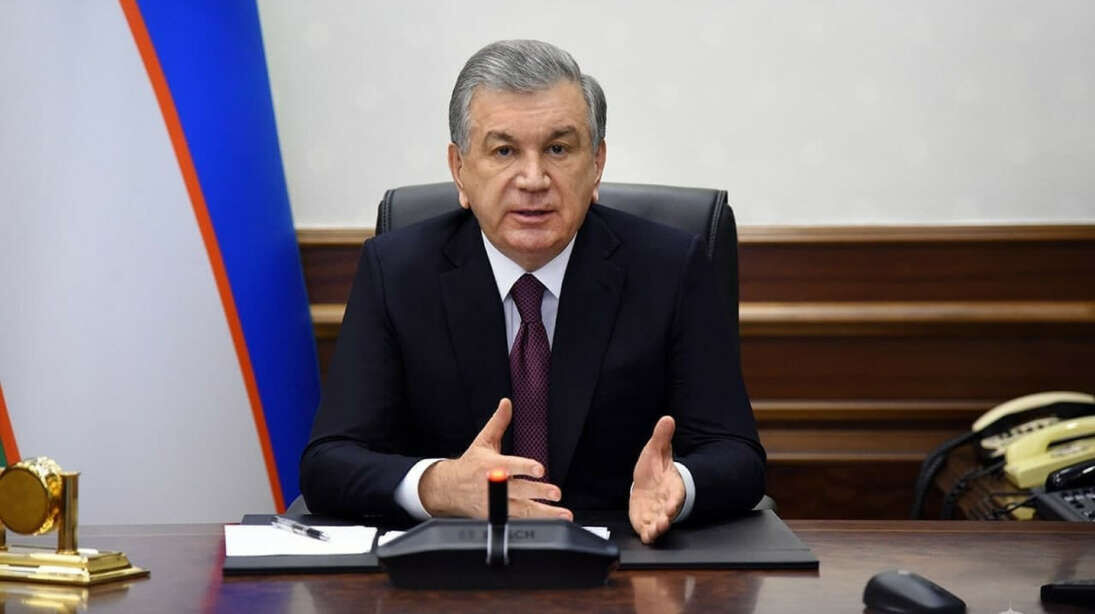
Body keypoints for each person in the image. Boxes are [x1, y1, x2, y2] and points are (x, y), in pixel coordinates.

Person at [300, 40, 765, 543]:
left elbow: (737, 454)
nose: (533, 178)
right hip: (458, 563)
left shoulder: (670, 268)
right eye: (504, 151)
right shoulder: (396, 272)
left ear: (597, 164)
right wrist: (439, 486)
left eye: (558, 149)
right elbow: (329, 463)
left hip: (624, 558)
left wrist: (679, 485)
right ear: (459, 169)